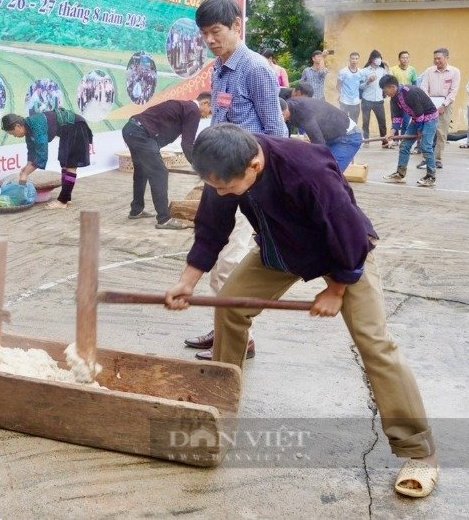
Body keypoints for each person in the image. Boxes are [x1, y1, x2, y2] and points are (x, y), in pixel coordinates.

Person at [166, 124, 438, 499]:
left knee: (375, 343)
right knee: (230, 306)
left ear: (255, 164)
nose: (222, 193)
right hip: (279, 250)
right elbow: (212, 228)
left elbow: (350, 234)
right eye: (216, 187)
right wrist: (188, 281)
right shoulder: (223, 169)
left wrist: (337, 288)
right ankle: (221, 410)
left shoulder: (306, 171)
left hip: (342, 255)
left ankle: (420, 452)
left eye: (227, 187)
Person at [182, 0, 287, 359]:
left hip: (249, 182)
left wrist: (268, 187)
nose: (210, 40)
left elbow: (275, 132)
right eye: (204, 34)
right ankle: (224, 329)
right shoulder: (220, 68)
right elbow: (219, 123)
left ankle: (238, 340)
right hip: (222, 179)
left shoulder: (256, 69)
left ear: (237, 26)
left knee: (229, 263)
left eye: (215, 32)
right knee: (215, 250)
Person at [121, 95, 211, 229]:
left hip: (132, 129)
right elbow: (187, 144)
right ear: (205, 103)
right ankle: (164, 219)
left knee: (142, 170)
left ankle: (136, 210)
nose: (208, 116)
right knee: (160, 172)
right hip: (141, 133)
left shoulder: (185, 107)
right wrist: (199, 168)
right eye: (210, 111)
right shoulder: (193, 110)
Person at [1, 107, 94, 209]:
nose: (14, 136)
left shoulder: (36, 125)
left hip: (76, 126)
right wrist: (26, 168)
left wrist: (25, 174)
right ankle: (66, 198)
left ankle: (62, 201)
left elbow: (42, 155)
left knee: (70, 165)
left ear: (18, 126)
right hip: (67, 131)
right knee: (64, 163)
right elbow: (32, 152)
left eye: (13, 133)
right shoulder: (28, 127)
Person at [380, 74, 439, 188]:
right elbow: (397, 116)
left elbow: (419, 112)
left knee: (426, 146)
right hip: (417, 119)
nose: (385, 94)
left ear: (392, 87)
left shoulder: (410, 92)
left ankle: (431, 176)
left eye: (385, 90)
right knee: (404, 145)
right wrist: (392, 132)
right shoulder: (394, 98)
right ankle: (400, 174)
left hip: (429, 118)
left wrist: (420, 130)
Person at [282, 96, 362, 171]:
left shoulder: (304, 112)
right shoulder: (287, 105)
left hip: (348, 138)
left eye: (282, 115)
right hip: (329, 138)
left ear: (285, 110)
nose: (280, 118)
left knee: (329, 173)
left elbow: (319, 143)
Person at [419, 48, 461, 170]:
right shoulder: (429, 71)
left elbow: (453, 91)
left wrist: (444, 105)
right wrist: (429, 104)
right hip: (429, 105)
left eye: (439, 58)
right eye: (435, 58)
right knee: (427, 132)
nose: (436, 61)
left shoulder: (455, 72)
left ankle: (437, 159)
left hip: (445, 106)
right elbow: (423, 87)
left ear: (446, 57)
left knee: (441, 133)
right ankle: (425, 158)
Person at [359, 50, 390, 148]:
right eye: (377, 58)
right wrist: (368, 81)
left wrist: (388, 67)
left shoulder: (382, 71)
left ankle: (384, 141)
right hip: (366, 100)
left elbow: (390, 79)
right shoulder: (364, 71)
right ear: (372, 59)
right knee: (366, 121)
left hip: (379, 100)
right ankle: (366, 141)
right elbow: (360, 86)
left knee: (382, 122)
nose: (379, 60)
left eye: (380, 58)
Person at [390, 51, 418, 139]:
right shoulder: (393, 69)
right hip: (395, 98)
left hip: (407, 99)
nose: (405, 59)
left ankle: (403, 139)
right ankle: (395, 139)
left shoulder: (412, 70)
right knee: (395, 118)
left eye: (407, 58)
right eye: (403, 57)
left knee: (406, 121)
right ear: (399, 59)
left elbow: (414, 84)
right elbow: (391, 83)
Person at [337, 52, 363, 124]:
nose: (354, 60)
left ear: (358, 60)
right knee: (342, 121)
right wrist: (341, 94)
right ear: (349, 59)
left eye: (356, 59)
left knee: (354, 123)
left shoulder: (361, 72)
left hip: (356, 102)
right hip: (344, 101)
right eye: (352, 58)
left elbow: (362, 86)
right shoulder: (343, 72)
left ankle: (352, 135)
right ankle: (343, 135)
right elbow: (338, 86)